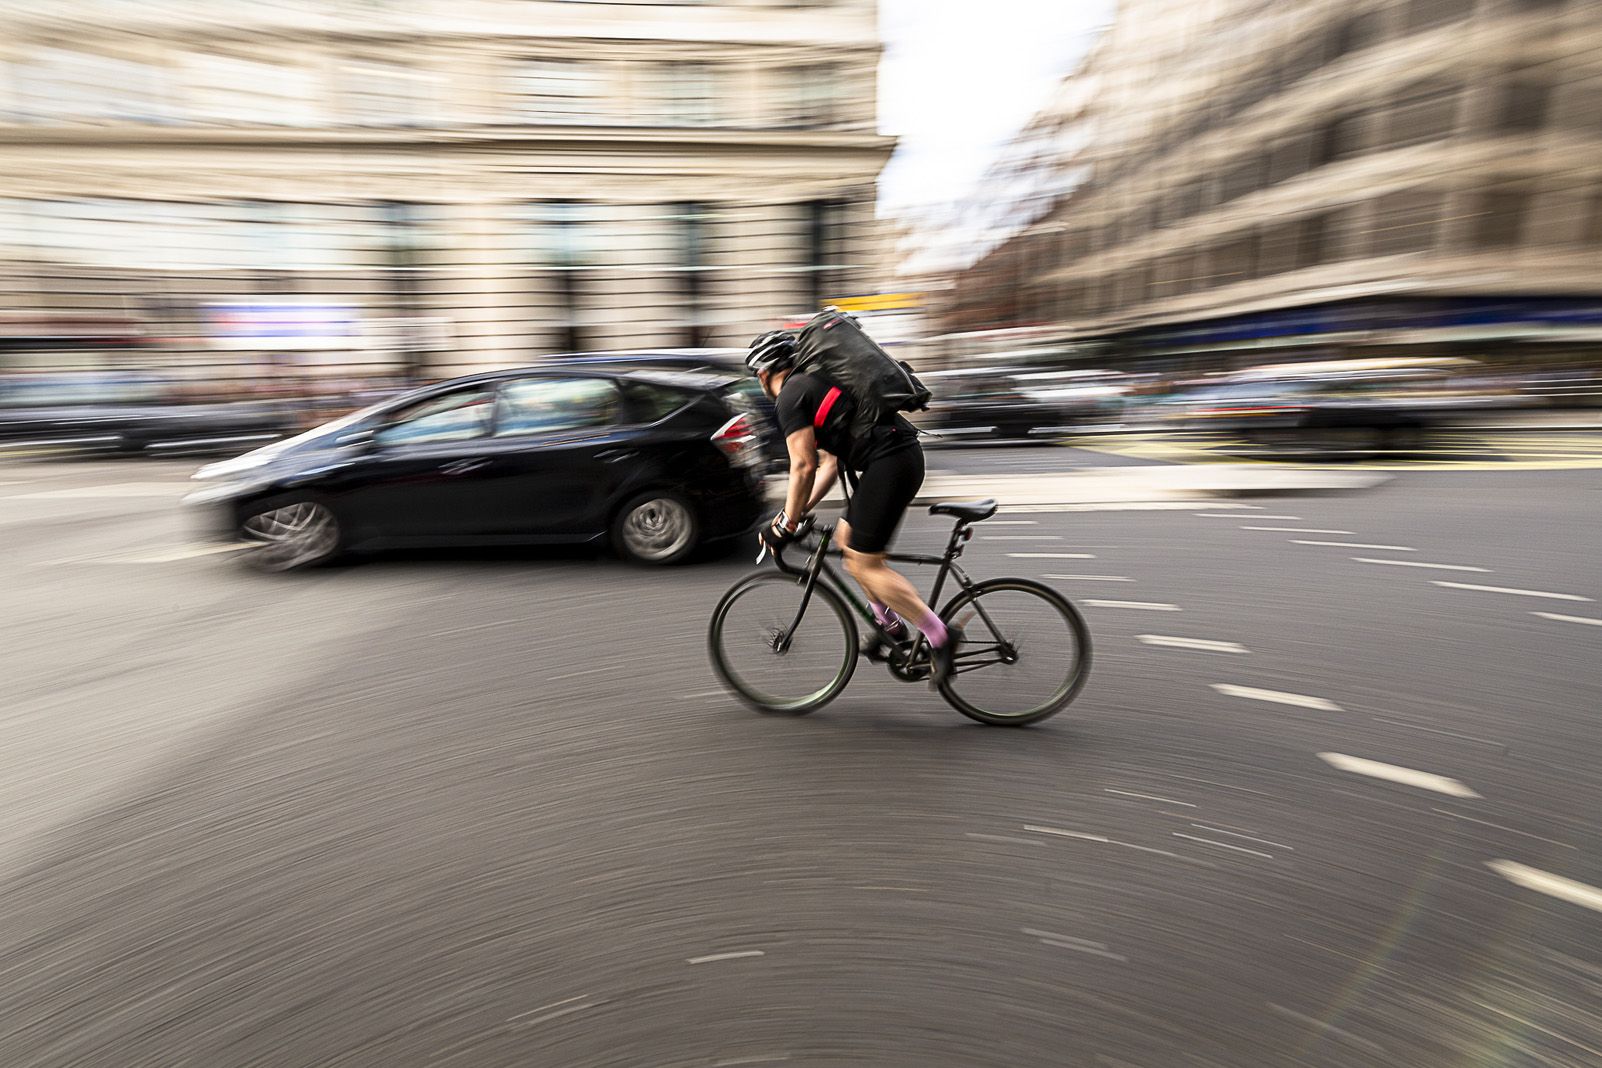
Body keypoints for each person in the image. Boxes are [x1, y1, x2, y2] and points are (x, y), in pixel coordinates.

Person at [745, 329, 961, 683]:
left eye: (758, 376)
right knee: (848, 541)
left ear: (765, 372)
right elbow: (828, 467)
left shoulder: (791, 396)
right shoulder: (814, 384)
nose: (759, 382)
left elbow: (803, 466)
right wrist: (793, 515)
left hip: (891, 464)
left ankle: (941, 637)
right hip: (896, 459)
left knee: (865, 564)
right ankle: (889, 625)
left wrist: (785, 524)